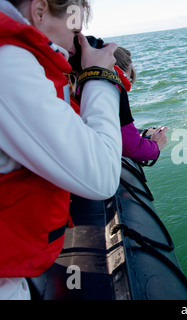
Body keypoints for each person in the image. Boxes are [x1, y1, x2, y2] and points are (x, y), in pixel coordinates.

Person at [0, 0, 122, 300]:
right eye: (75, 30)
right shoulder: (9, 63)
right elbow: (102, 176)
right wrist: (99, 77)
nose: (76, 44)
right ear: (39, 11)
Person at [113, 46, 167, 163]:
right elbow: (134, 150)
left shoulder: (85, 86)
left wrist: (142, 133)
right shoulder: (114, 90)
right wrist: (156, 145)